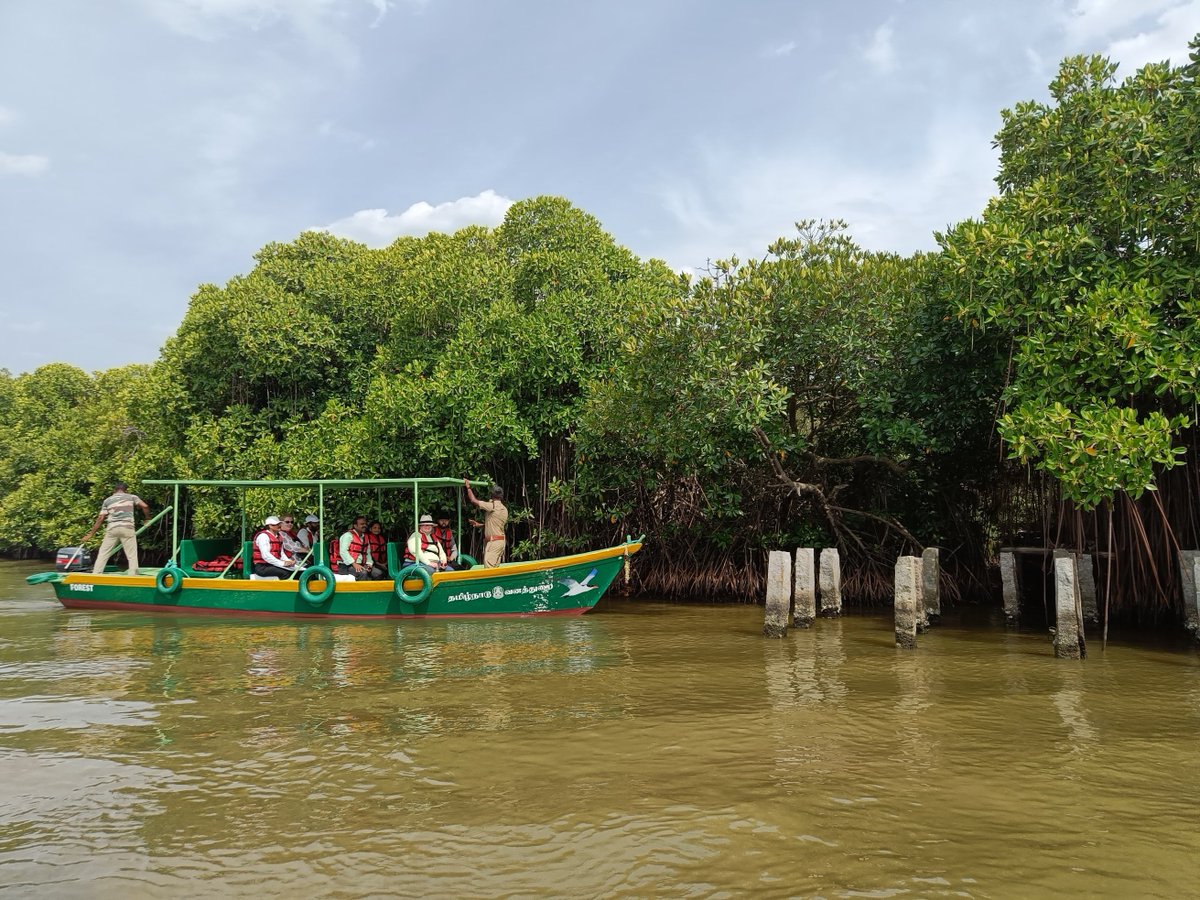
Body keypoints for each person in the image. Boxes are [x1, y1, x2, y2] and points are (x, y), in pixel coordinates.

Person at [82, 481, 150, 575]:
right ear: (126, 490)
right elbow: (145, 506)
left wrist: (91, 534)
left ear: (114, 490)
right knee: (131, 555)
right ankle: (133, 575)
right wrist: (147, 518)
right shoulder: (132, 497)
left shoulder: (107, 500)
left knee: (103, 553)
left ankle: (96, 573)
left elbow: (101, 518)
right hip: (127, 528)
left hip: (112, 529)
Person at [464, 480, 508, 568]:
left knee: (489, 568)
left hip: (494, 542)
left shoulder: (492, 506)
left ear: (492, 495)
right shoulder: (504, 509)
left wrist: (468, 487)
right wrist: (480, 525)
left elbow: (473, 500)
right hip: (500, 542)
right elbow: (495, 524)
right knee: (494, 568)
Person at [337, 515, 379, 580]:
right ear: (355, 526)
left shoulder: (365, 537)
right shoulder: (347, 536)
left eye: (365, 524)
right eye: (362, 524)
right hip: (347, 566)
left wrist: (369, 564)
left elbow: (368, 553)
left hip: (361, 564)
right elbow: (343, 552)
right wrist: (354, 564)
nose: (364, 525)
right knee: (363, 573)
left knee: (378, 573)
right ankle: (362, 590)